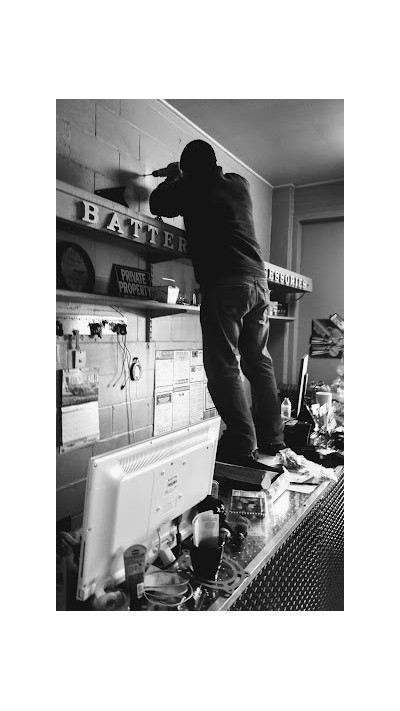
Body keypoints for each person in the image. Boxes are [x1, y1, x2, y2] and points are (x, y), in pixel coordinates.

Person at [150, 139, 285, 471]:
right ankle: (272, 437)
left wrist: (174, 177)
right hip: (259, 285)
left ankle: (241, 442)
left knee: (222, 364)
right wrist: (184, 175)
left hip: (225, 284)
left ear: (190, 170)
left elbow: (157, 203)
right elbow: (211, 183)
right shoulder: (239, 184)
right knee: (258, 360)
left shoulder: (191, 186)